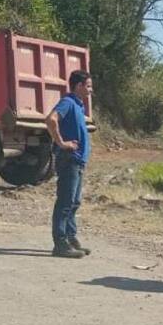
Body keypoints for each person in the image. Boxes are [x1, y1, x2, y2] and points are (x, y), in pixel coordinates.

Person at [47, 70, 93, 258]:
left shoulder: (78, 105)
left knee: (74, 202)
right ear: (78, 86)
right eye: (88, 86)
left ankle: (70, 237)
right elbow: (51, 119)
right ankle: (60, 243)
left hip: (78, 160)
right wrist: (61, 143)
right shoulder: (67, 102)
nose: (90, 90)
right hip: (69, 159)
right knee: (65, 202)